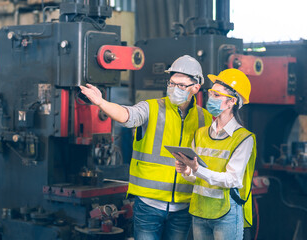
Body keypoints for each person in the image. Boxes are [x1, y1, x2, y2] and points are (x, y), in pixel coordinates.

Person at [80, 55, 212, 240]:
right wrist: (101, 102)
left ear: (196, 88)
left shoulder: (204, 118)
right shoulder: (151, 108)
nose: (174, 89)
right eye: (171, 83)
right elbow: (127, 115)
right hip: (149, 205)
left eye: (181, 85)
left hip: (183, 206)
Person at [173, 68, 257, 240]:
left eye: (217, 95)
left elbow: (232, 179)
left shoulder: (244, 138)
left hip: (225, 214)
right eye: (211, 93)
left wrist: (196, 169)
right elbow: (196, 178)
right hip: (200, 211)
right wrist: (187, 171)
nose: (211, 98)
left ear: (231, 101)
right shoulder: (200, 134)